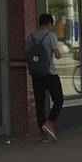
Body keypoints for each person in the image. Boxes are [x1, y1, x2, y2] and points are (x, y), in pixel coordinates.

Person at [26, 13, 65, 141]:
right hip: (49, 73)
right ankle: (49, 123)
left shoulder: (30, 37)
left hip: (36, 73)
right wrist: (60, 54)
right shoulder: (51, 36)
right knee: (58, 99)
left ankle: (43, 134)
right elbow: (57, 54)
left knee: (39, 103)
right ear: (49, 23)